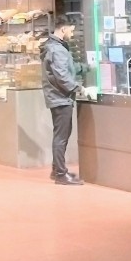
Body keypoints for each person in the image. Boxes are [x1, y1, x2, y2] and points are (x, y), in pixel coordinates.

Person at [40, 15, 84, 186]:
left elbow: (66, 69)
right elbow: (62, 76)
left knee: (61, 135)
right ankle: (60, 174)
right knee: (61, 137)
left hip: (58, 97)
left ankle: (57, 169)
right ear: (63, 29)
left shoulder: (55, 47)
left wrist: (85, 68)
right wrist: (79, 88)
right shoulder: (57, 50)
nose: (72, 34)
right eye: (71, 31)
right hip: (61, 98)